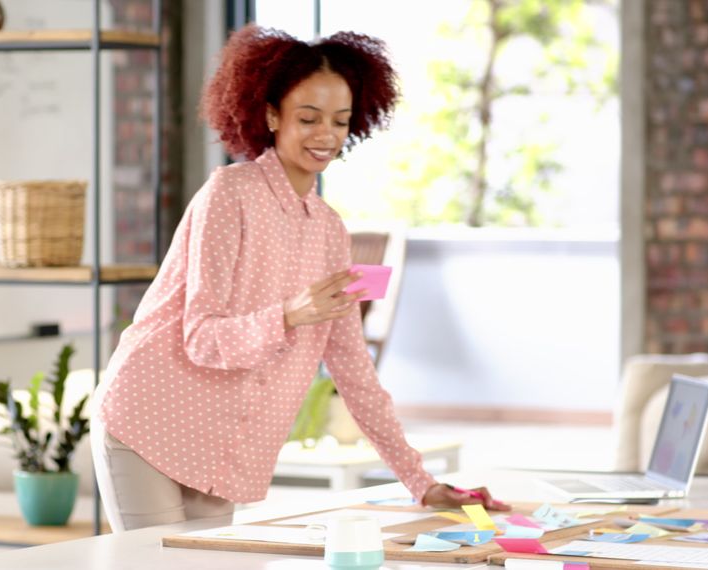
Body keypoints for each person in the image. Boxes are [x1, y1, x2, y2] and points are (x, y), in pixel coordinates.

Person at [90, 24, 510, 532]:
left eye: (340, 120)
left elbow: (355, 371)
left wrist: (421, 483)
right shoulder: (229, 195)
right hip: (149, 420)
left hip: (224, 449)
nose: (326, 135)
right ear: (271, 115)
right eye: (308, 118)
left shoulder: (332, 232)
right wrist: (291, 314)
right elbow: (201, 339)